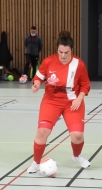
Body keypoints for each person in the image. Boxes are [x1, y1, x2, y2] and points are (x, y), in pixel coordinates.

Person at [27, 31, 91, 173]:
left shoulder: (79, 64)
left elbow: (85, 84)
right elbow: (38, 77)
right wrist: (36, 85)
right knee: (42, 131)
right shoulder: (48, 62)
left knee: (77, 135)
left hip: (72, 102)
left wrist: (79, 99)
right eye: (60, 52)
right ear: (57, 49)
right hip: (51, 101)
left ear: (71, 50)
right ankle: (36, 163)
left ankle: (76, 156)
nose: (63, 56)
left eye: (66, 52)